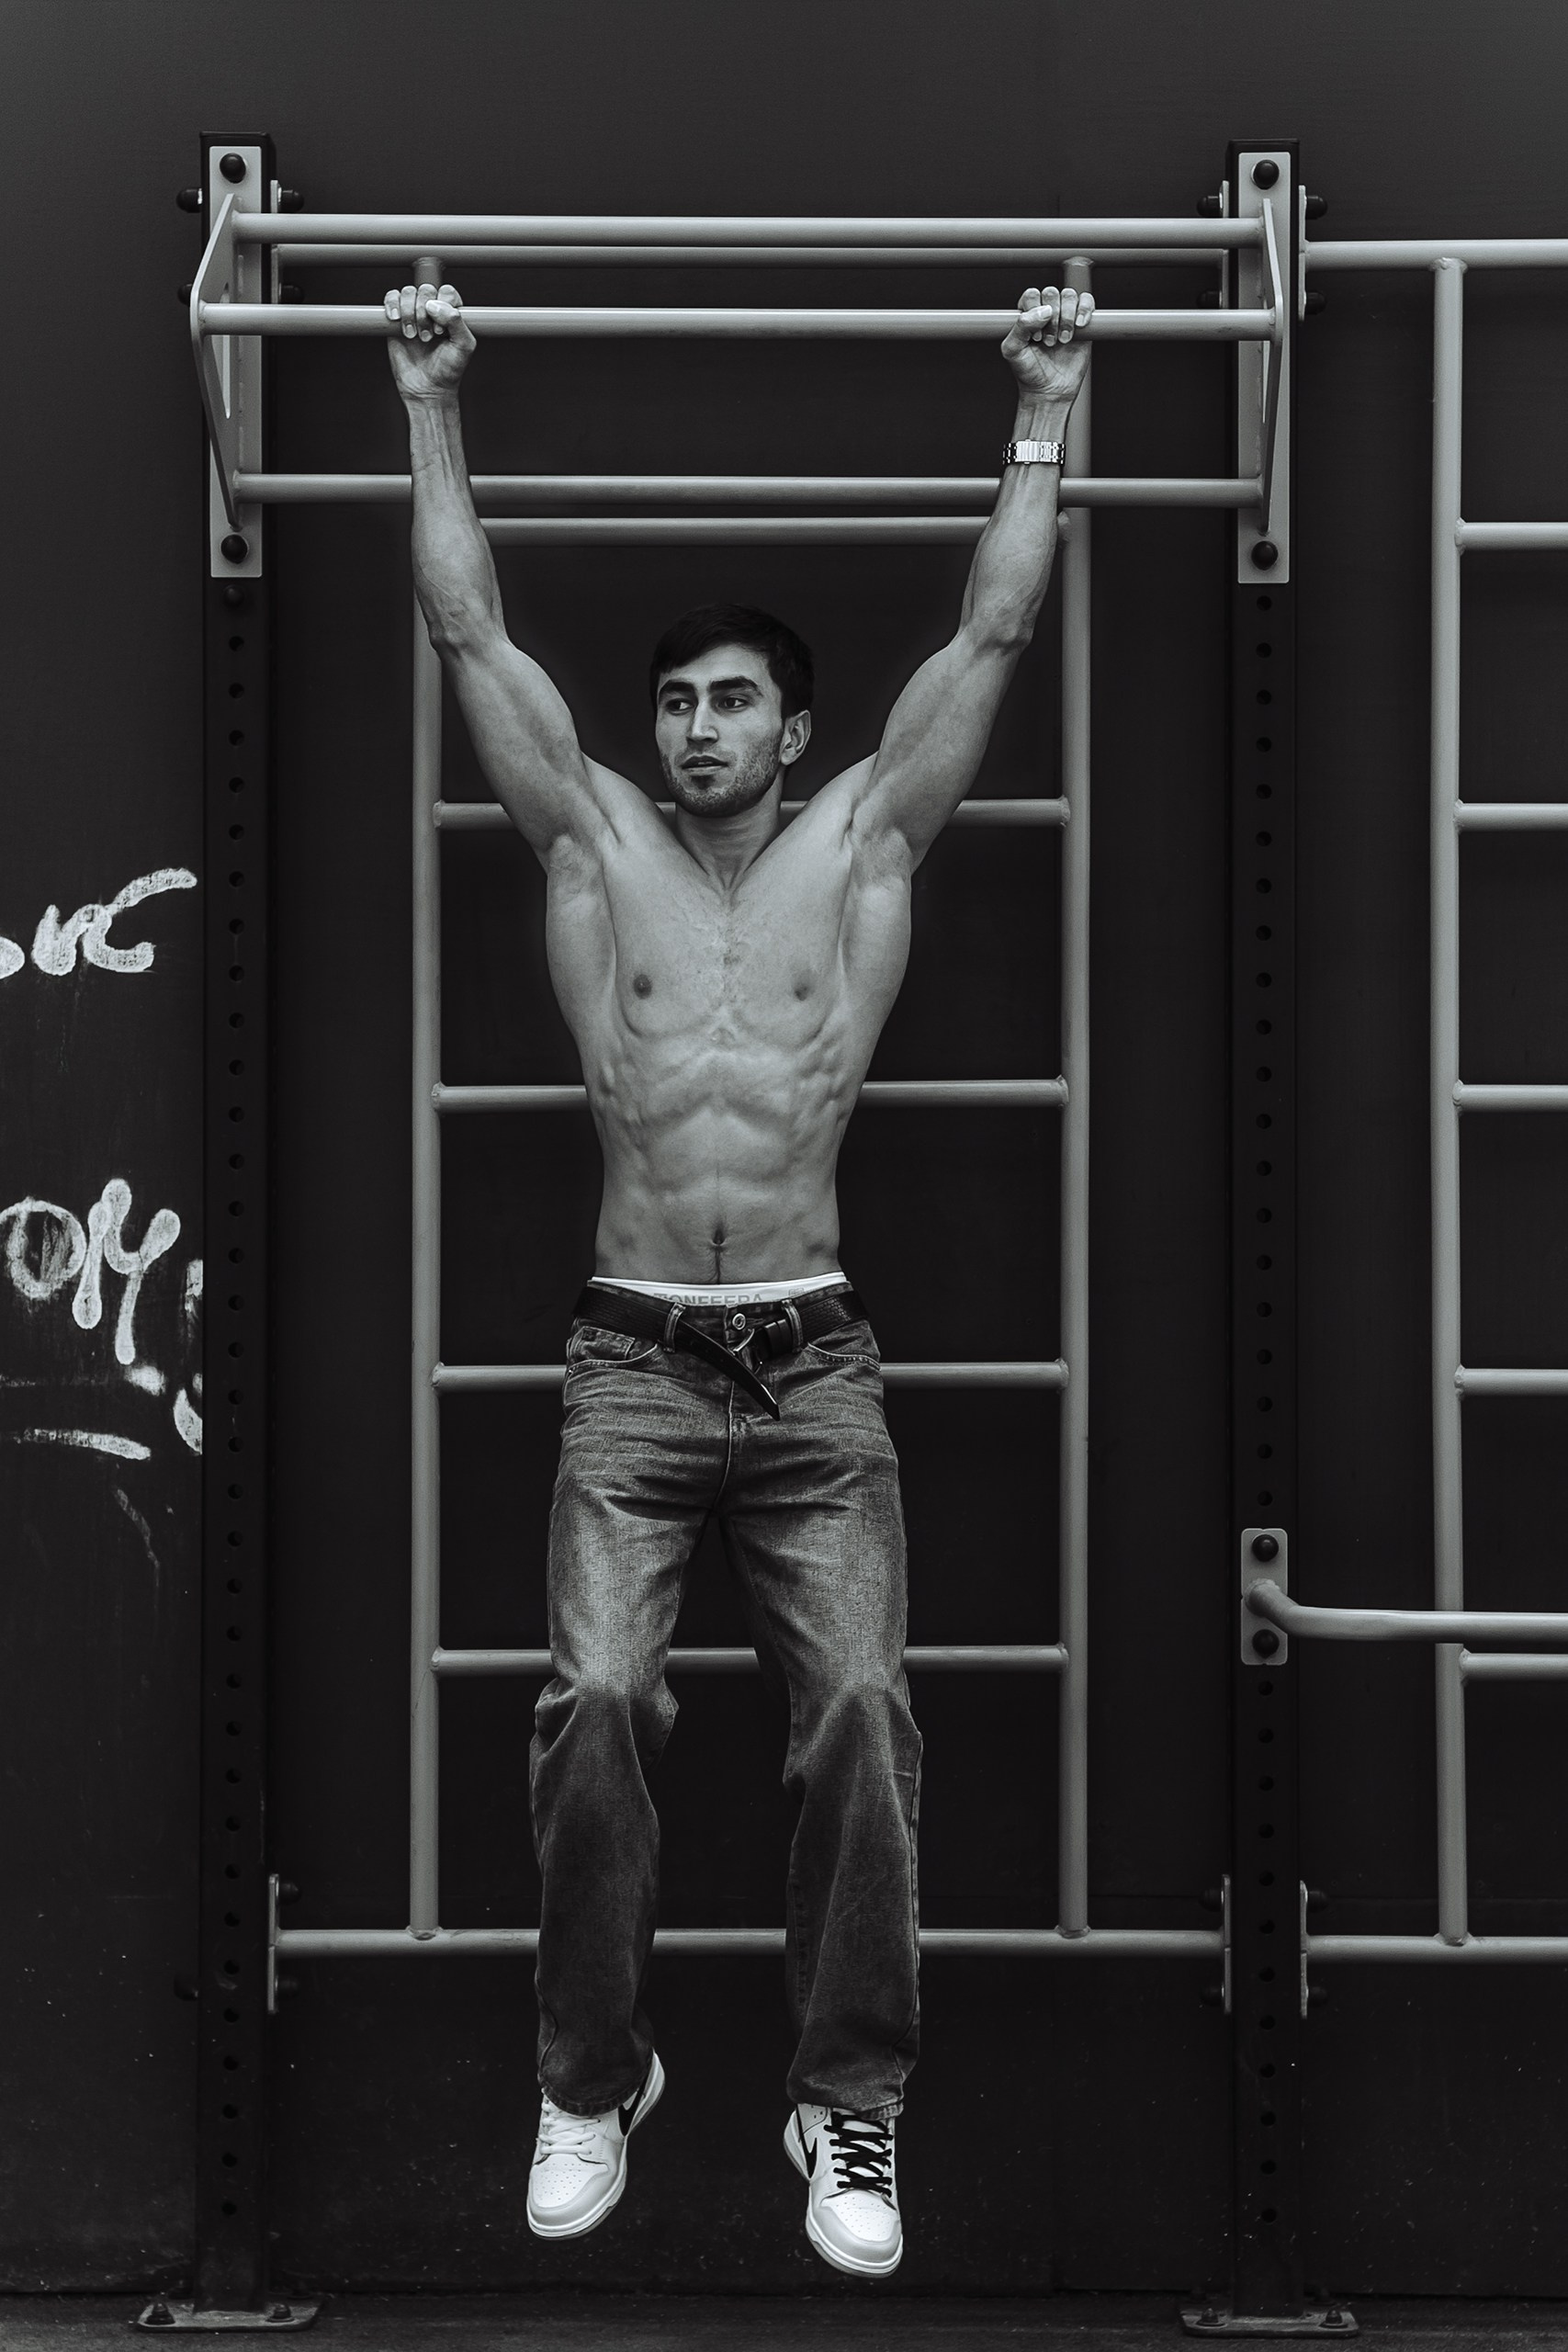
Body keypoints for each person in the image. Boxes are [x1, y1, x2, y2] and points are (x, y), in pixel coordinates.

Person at [385, 271, 1092, 2276]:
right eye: (677, 702)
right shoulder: (592, 849)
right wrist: (429, 401)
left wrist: (1044, 405)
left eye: (730, 702)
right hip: (630, 1360)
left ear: (792, 727)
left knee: (862, 1711)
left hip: (811, 1365)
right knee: (597, 1704)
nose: (697, 728)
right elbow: (469, 628)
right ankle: (589, 2075)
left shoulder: (862, 846)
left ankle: (845, 2100)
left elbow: (993, 627)